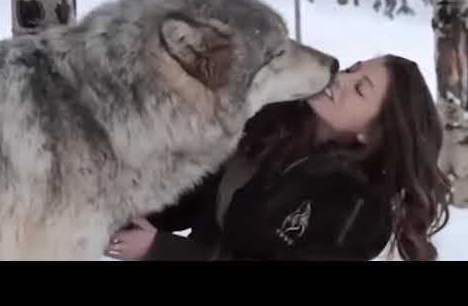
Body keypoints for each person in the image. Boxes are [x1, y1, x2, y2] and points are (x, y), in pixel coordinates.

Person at [105, 55, 451, 261]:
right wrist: (134, 208)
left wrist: (159, 250)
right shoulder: (275, 120)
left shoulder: (359, 214)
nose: (341, 80)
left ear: (371, 133)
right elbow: (205, 189)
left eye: (360, 89)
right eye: (351, 70)